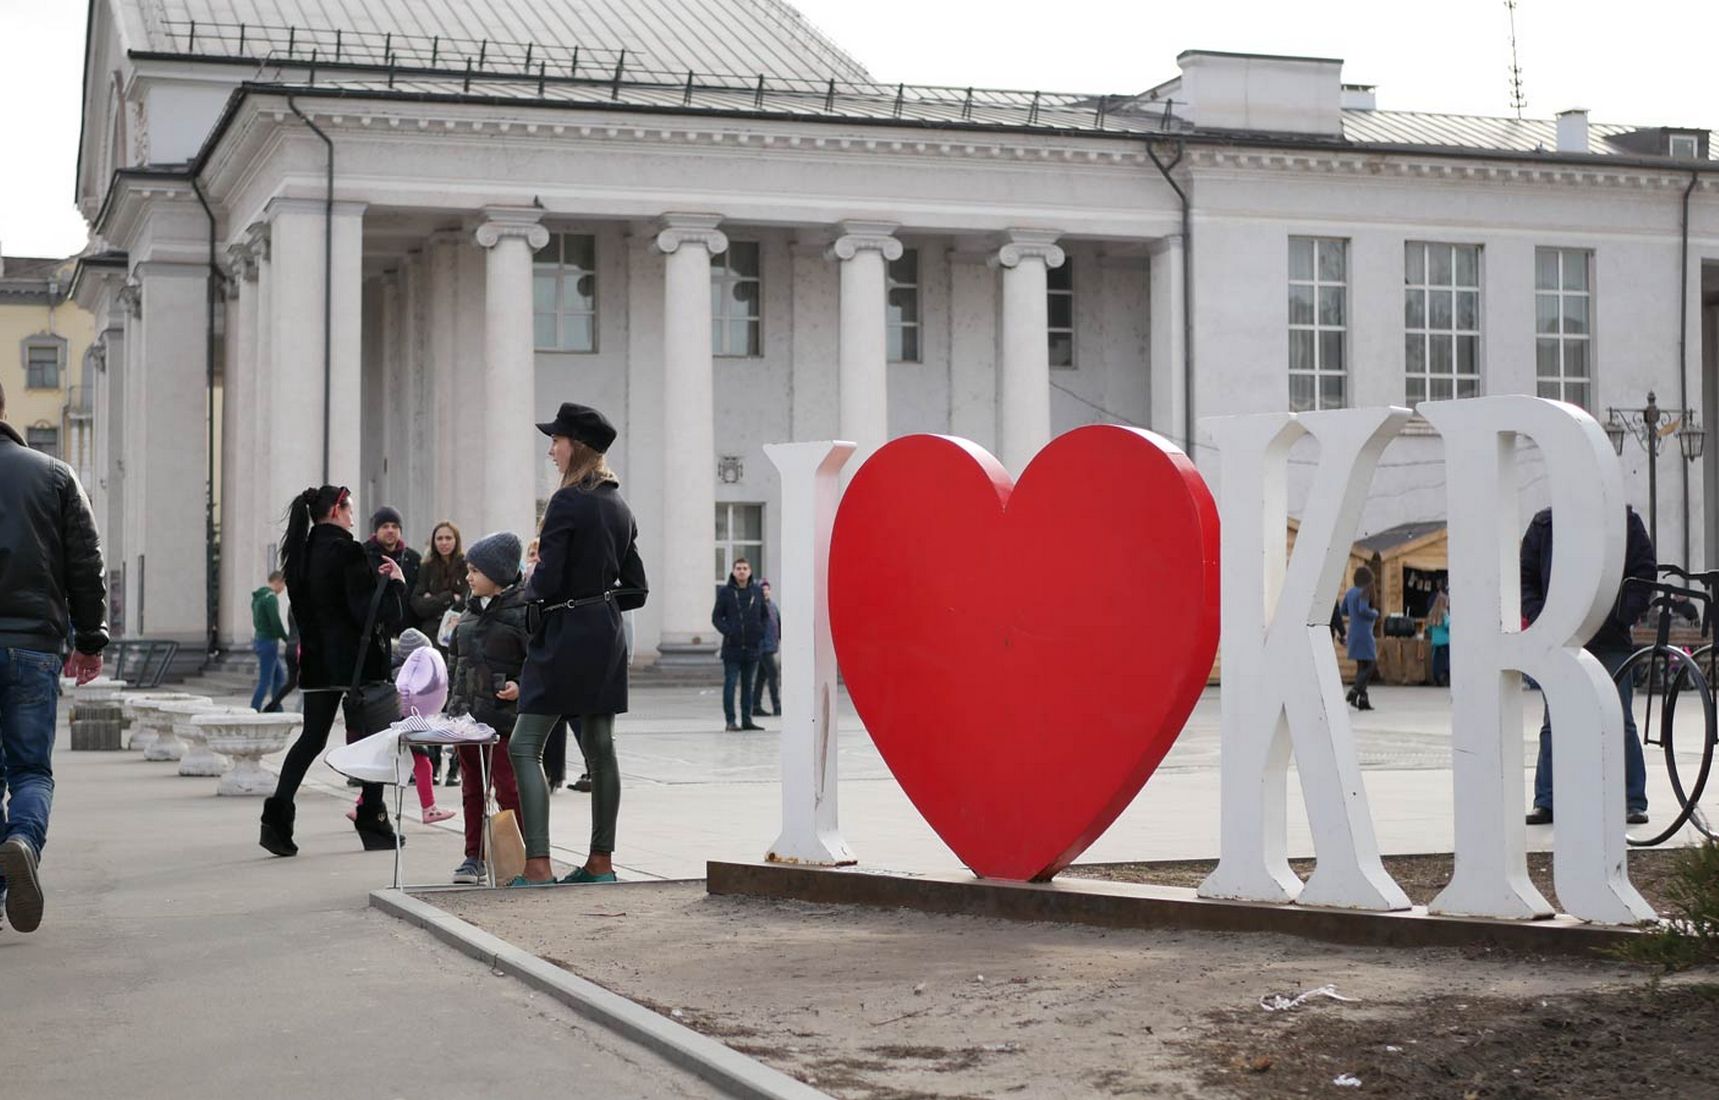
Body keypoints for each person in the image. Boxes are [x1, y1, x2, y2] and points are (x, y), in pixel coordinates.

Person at [509, 403, 648, 887]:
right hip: (605, 634)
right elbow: (637, 588)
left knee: (523, 746)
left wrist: (533, 580)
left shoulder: (567, 503)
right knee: (600, 748)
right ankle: (600, 864)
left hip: (564, 633)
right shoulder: (619, 505)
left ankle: (538, 864)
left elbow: (545, 583)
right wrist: (598, 601)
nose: (550, 449)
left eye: (556, 441)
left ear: (577, 447)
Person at [0, 379, 107, 934]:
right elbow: (86, 562)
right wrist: (90, 639)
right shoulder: (53, 474)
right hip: (34, 646)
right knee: (31, 770)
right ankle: (22, 840)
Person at [260, 485, 406, 856]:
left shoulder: (299, 553)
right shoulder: (348, 551)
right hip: (358, 662)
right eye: (350, 508)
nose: (354, 516)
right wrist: (393, 587)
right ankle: (371, 817)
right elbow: (367, 614)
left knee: (312, 737)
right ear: (338, 509)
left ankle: (276, 819)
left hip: (317, 660)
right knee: (375, 739)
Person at [1522, 506, 1655, 826]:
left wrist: (1621, 615)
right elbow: (1525, 576)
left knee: (1619, 719)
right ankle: (1548, 800)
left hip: (1610, 639)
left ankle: (1632, 800)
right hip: (1561, 637)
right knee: (1554, 721)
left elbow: (1644, 572)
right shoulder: (1545, 522)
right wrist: (1544, 617)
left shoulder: (1624, 521)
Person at [446, 531, 529, 884]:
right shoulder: (465, 614)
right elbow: (454, 663)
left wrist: (520, 687)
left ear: (497, 574)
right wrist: (450, 707)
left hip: (503, 721)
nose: (468, 576)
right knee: (471, 789)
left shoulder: (523, 612)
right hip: (466, 720)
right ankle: (472, 856)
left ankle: (518, 858)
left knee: (509, 789)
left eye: (475, 570)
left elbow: (537, 662)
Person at [343, 629, 454, 825]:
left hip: (391, 725)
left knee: (385, 770)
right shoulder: (410, 676)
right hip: (405, 725)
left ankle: (359, 807)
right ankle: (429, 809)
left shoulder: (392, 669)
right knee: (423, 764)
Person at [411, 520, 467, 782]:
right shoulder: (426, 568)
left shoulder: (465, 565)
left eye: (448, 538)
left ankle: (457, 766)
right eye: (439, 538)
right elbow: (418, 605)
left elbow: (468, 600)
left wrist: (435, 600)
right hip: (433, 642)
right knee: (432, 703)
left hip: (457, 641)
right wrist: (447, 597)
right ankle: (433, 763)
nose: (444, 542)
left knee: (456, 703)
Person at [713, 558, 768, 731]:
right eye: (738, 568)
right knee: (730, 683)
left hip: (752, 647)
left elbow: (765, 616)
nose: (742, 571)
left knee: (748, 685)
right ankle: (730, 721)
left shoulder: (757, 592)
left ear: (750, 571)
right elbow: (716, 617)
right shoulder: (725, 592)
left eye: (745, 568)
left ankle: (747, 719)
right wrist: (729, 631)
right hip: (732, 647)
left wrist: (760, 631)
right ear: (733, 571)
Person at [365, 506, 422, 631]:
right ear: (376, 530)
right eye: (385, 526)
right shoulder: (364, 555)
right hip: (374, 629)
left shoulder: (413, 559)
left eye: (395, 526)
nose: (390, 530)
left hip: (406, 630)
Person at [250, 571, 290, 711]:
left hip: (260, 640)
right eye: (284, 584)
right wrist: (287, 639)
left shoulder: (258, 597)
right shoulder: (270, 598)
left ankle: (276, 707)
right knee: (265, 680)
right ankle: (254, 708)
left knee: (279, 677)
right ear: (278, 581)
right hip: (269, 642)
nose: (283, 589)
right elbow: (276, 622)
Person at [1343, 566, 1379, 711]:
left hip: (1353, 632)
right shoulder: (1364, 592)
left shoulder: (1350, 592)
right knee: (1371, 665)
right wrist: (1375, 613)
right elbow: (1363, 609)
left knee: (1361, 666)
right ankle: (1354, 691)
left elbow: (1343, 610)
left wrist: (1353, 615)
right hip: (1364, 633)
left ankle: (1363, 700)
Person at [752, 579, 782, 718]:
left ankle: (756, 706)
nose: (765, 591)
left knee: (760, 678)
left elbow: (779, 624)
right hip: (763, 648)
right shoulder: (757, 607)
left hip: (771, 646)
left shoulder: (773, 606)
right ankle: (777, 706)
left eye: (767, 589)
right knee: (773, 675)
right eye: (762, 589)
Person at [265, 606, 301, 712]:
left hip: (290, 647)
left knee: (292, 682)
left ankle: (272, 706)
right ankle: (301, 711)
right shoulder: (306, 606)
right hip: (300, 648)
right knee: (308, 681)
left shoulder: (291, 607)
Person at [1426, 588, 1451, 688]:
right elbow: (1448, 625)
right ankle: (1446, 677)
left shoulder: (1431, 614)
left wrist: (1433, 635)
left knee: (1436, 661)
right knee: (1447, 661)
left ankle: (1437, 677)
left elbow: (1429, 629)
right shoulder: (1444, 614)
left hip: (1435, 642)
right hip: (1445, 641)